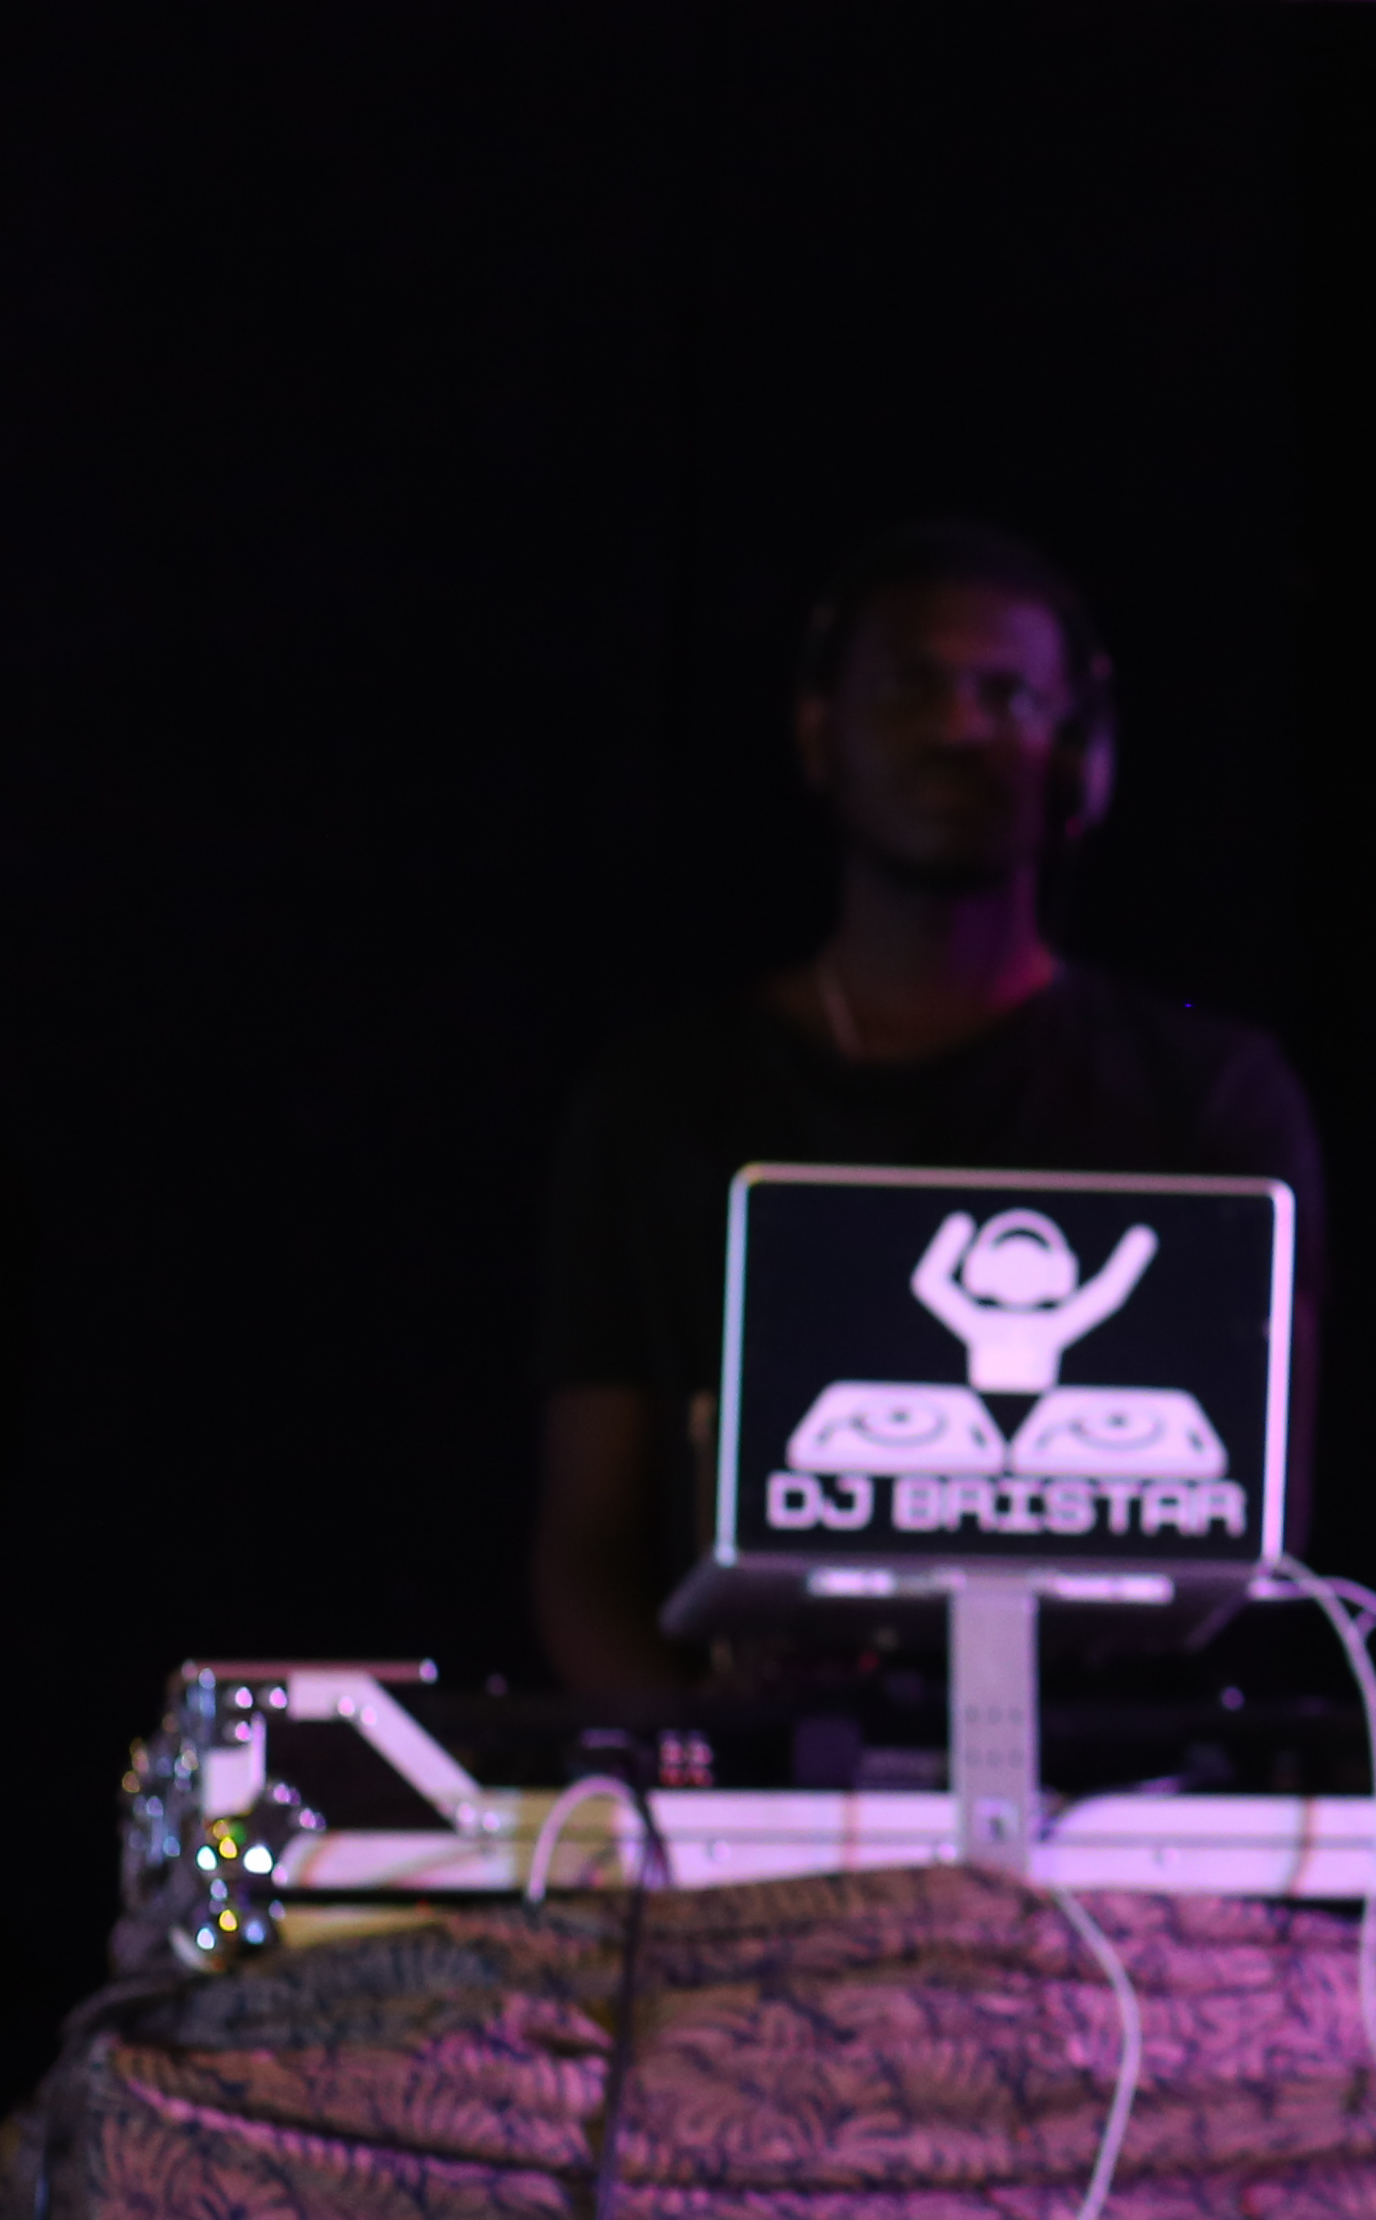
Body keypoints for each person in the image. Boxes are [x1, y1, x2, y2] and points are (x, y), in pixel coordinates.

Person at [530, 518, 1323, 1691]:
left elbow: (1253, 1537)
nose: (958, 729)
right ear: (821, 732)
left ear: (1079, 758)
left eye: (1008, 695)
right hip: (755, 1778)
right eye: (912, 686)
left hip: (1117, 1787)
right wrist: (705, 1769)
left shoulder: (1208, 1097)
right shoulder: (661, 1103)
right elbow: (585, 1545)